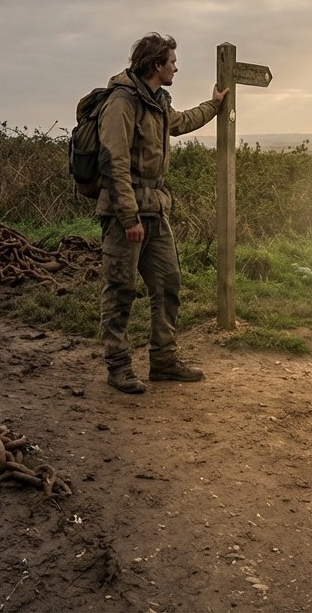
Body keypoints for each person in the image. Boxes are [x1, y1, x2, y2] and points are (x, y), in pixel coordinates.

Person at [95, 32, 230, 393]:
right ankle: (119, 366)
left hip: (156, 211)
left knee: (168, 284)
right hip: (127, 215)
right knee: (121, 290)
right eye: (171, 62)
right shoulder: (121, 102)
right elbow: (114, 164)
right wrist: (128, 217)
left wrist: (213, 104)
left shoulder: (156, 100)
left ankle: (164, 361)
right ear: (156, 64)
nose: (176, 67)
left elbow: (180, 122)